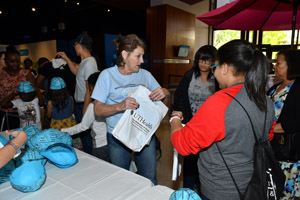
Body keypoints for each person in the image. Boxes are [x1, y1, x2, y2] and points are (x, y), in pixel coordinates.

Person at [170, 40, 275, 200]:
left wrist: (175, 119)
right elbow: (268, 135)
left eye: (215, 67)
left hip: (220, 188)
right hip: (254, 183)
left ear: (225, 68)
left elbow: (182, 144)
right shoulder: (265, 100)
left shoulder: (219, 103)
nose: (214, 73)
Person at [92, 34, 170, 185]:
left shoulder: (145, 75)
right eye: (138, 56)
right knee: (122, 180)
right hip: (117, 137)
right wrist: (120, 106)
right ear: (124, 55)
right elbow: (98, 110)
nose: (142, 60)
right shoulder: (107, 76)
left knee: (149, 178)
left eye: (142, 56)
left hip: (144, 133)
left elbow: (163, 105)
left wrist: (165, 92)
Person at [174, 45, 218, 191]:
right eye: (201, 60)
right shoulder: (189, 76)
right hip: (191, 124)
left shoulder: (217, 79)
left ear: (213, 62)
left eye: (207, 61)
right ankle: (188, 189)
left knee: (206, 158)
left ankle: (202, 187)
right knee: (190, 158)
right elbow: (179, 98)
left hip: (209, 127)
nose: (203, 64)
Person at [57, 31, 98, 154]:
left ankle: (92, 161)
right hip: (80, 104)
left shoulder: (89, 64)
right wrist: (67, 59)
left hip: (83, 105)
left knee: (86, 137)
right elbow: (76, 72)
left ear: (78, 45)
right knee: (84, 136)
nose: (74, 48)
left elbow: (89, 90)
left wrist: (86, 110)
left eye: (74, 45)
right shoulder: (85, 62)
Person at [267, 49, 300, 199]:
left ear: (290, 66)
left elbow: (296, 121)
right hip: (272, 147)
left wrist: (272, 129)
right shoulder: (275, 87)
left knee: (284, 192)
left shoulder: (297, 88)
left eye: (278, 63)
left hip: (286, 152)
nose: (275, 66)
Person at [62, 72, 109, 161]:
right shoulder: (112, 101)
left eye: (90, 89)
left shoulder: (93, 106)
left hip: (100, 146)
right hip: (112, 144)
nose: (90, 93)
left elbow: (83, 126)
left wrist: (63, 131)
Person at [0, 45, 35, 131]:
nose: (15, 64)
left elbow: (33, 92)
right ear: (5, 61)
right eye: (12, 61)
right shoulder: (1, 74)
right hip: (3, 112)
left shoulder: (26, 73)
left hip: (23, 112)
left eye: (17, 61)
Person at [47, 77, 82, 150]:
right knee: (75, 143)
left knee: (60, 146)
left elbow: (49, 115)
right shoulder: (71, 98)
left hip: (57, 126)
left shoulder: (50, 103)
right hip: (70, 123)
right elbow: (72, 111)